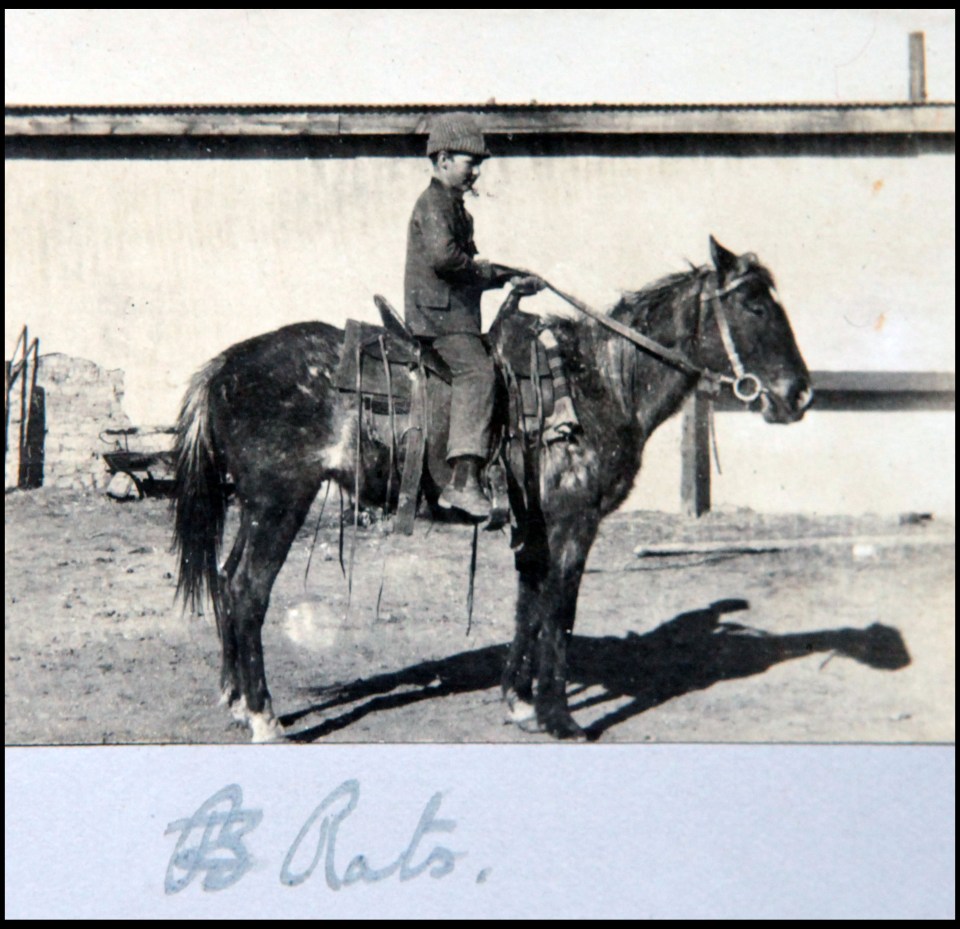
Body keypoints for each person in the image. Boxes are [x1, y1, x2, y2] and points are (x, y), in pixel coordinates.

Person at [404, 113, 541, 519]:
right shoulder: (433, 203)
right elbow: (446, 259)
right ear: (444, 159)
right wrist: (493, 270)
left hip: (453, 317)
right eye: (471, 162)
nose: (477, 172)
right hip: (438, 320)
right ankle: (463, 481)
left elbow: (468, 267)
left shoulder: (455, 208)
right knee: (478, 373)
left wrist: (509, 277)